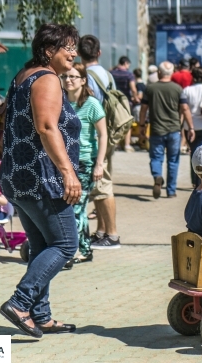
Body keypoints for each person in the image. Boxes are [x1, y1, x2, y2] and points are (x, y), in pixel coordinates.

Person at [0, 23, 82, 338]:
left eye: (74, 45)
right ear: (49, 51)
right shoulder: (47, 80)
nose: (73, 52)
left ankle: (41, 315)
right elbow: (47, 128)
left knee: (41, 245)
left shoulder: (24, 76)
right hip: (42, 178)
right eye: (67, 47)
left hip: (18, 177)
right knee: (65, 244)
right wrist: (68, 173)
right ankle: (20, 303)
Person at [61, 63, 107, 264]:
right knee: (70, 207)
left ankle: (72, 251)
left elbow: (103, 135)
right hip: (64, 163)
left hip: (85, 162)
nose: (68, 80)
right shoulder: (60, 103)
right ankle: (85, 249)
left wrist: (99, 164)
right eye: (65, 77)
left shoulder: (92, 104)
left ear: (83, 80)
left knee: (77, 206)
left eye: (72, 76)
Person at [78, 35, 120, 250]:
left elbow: (90, 106)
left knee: (102, 184)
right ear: (99, 52)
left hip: (95, 137)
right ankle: (102, 231)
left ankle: (112, 235)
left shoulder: (86, 76)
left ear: (78, 52)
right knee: (100, 183)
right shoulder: (107, 74)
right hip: (109, 133)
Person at [139, 61, 184, 199]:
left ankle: (157, 176)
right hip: (174, 130)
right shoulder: (178, 89)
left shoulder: (150, 88)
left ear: (159, 72)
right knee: (173, 160)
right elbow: (184, 108)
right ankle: (171, 191)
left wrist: (142, 125)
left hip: (156, 130)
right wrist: (186, 125)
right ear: (172, 73)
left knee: (156, 158)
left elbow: (143, 109)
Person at [110, 56, 138, 153]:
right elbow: (133, 89)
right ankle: (127, 145)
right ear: (125, 63)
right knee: (127, 123)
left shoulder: (112, 73)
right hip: (125, 101)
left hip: (113, 100)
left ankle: (116, 144)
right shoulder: (129, 74)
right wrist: (136, 97)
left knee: (114, 123)